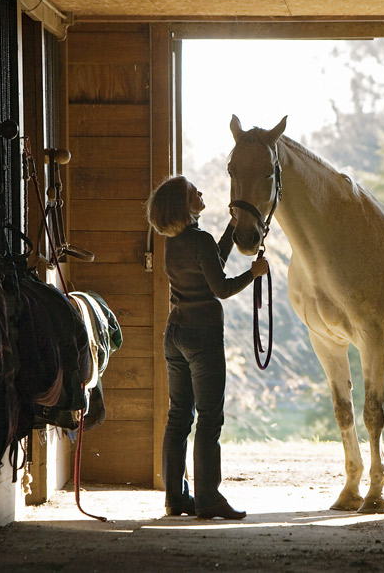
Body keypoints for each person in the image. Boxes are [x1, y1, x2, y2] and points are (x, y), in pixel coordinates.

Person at [146, 175, 268, 520]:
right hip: (203, 335)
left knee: (179, 416)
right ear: (184, 205)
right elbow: (222, 287)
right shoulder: (199, 240)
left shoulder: (175, 242)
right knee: (210, 418)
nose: (200, 193)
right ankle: (208, 498)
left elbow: (211, 265)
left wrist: (231, 229)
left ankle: (176, 498)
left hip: (176, 332)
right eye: (192, 192)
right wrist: (254, 273)